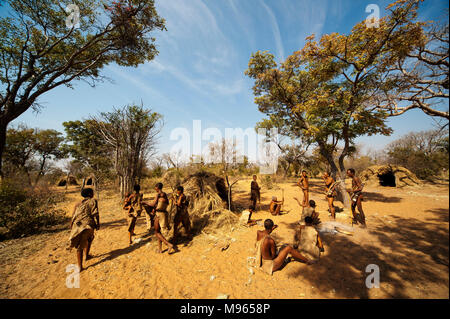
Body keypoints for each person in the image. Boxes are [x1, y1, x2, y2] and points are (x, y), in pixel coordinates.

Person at [68, 188, 100, 272]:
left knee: (82, 244)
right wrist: (98, 224)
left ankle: (82, 262)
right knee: (87, 240)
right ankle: (84, 260)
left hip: (77, 225)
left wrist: (71, 225)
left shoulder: (78, 204)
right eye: (92, 192)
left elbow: (73, 215)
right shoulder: (93, 201)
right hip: (87, 225)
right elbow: (96, 214)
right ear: (90, 194)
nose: (93, 194)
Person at [150, 183, 175, 253]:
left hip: (159, 214)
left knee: (156, 232)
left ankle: (169, 244)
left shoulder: (159, 195)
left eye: (155, 187)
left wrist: (144, 202)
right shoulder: (165, 195)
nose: (155, 189)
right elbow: (165, 203)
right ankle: (160, 249)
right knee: (158, 231)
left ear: (157, 187)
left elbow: (152, 204)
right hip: (163, 213)